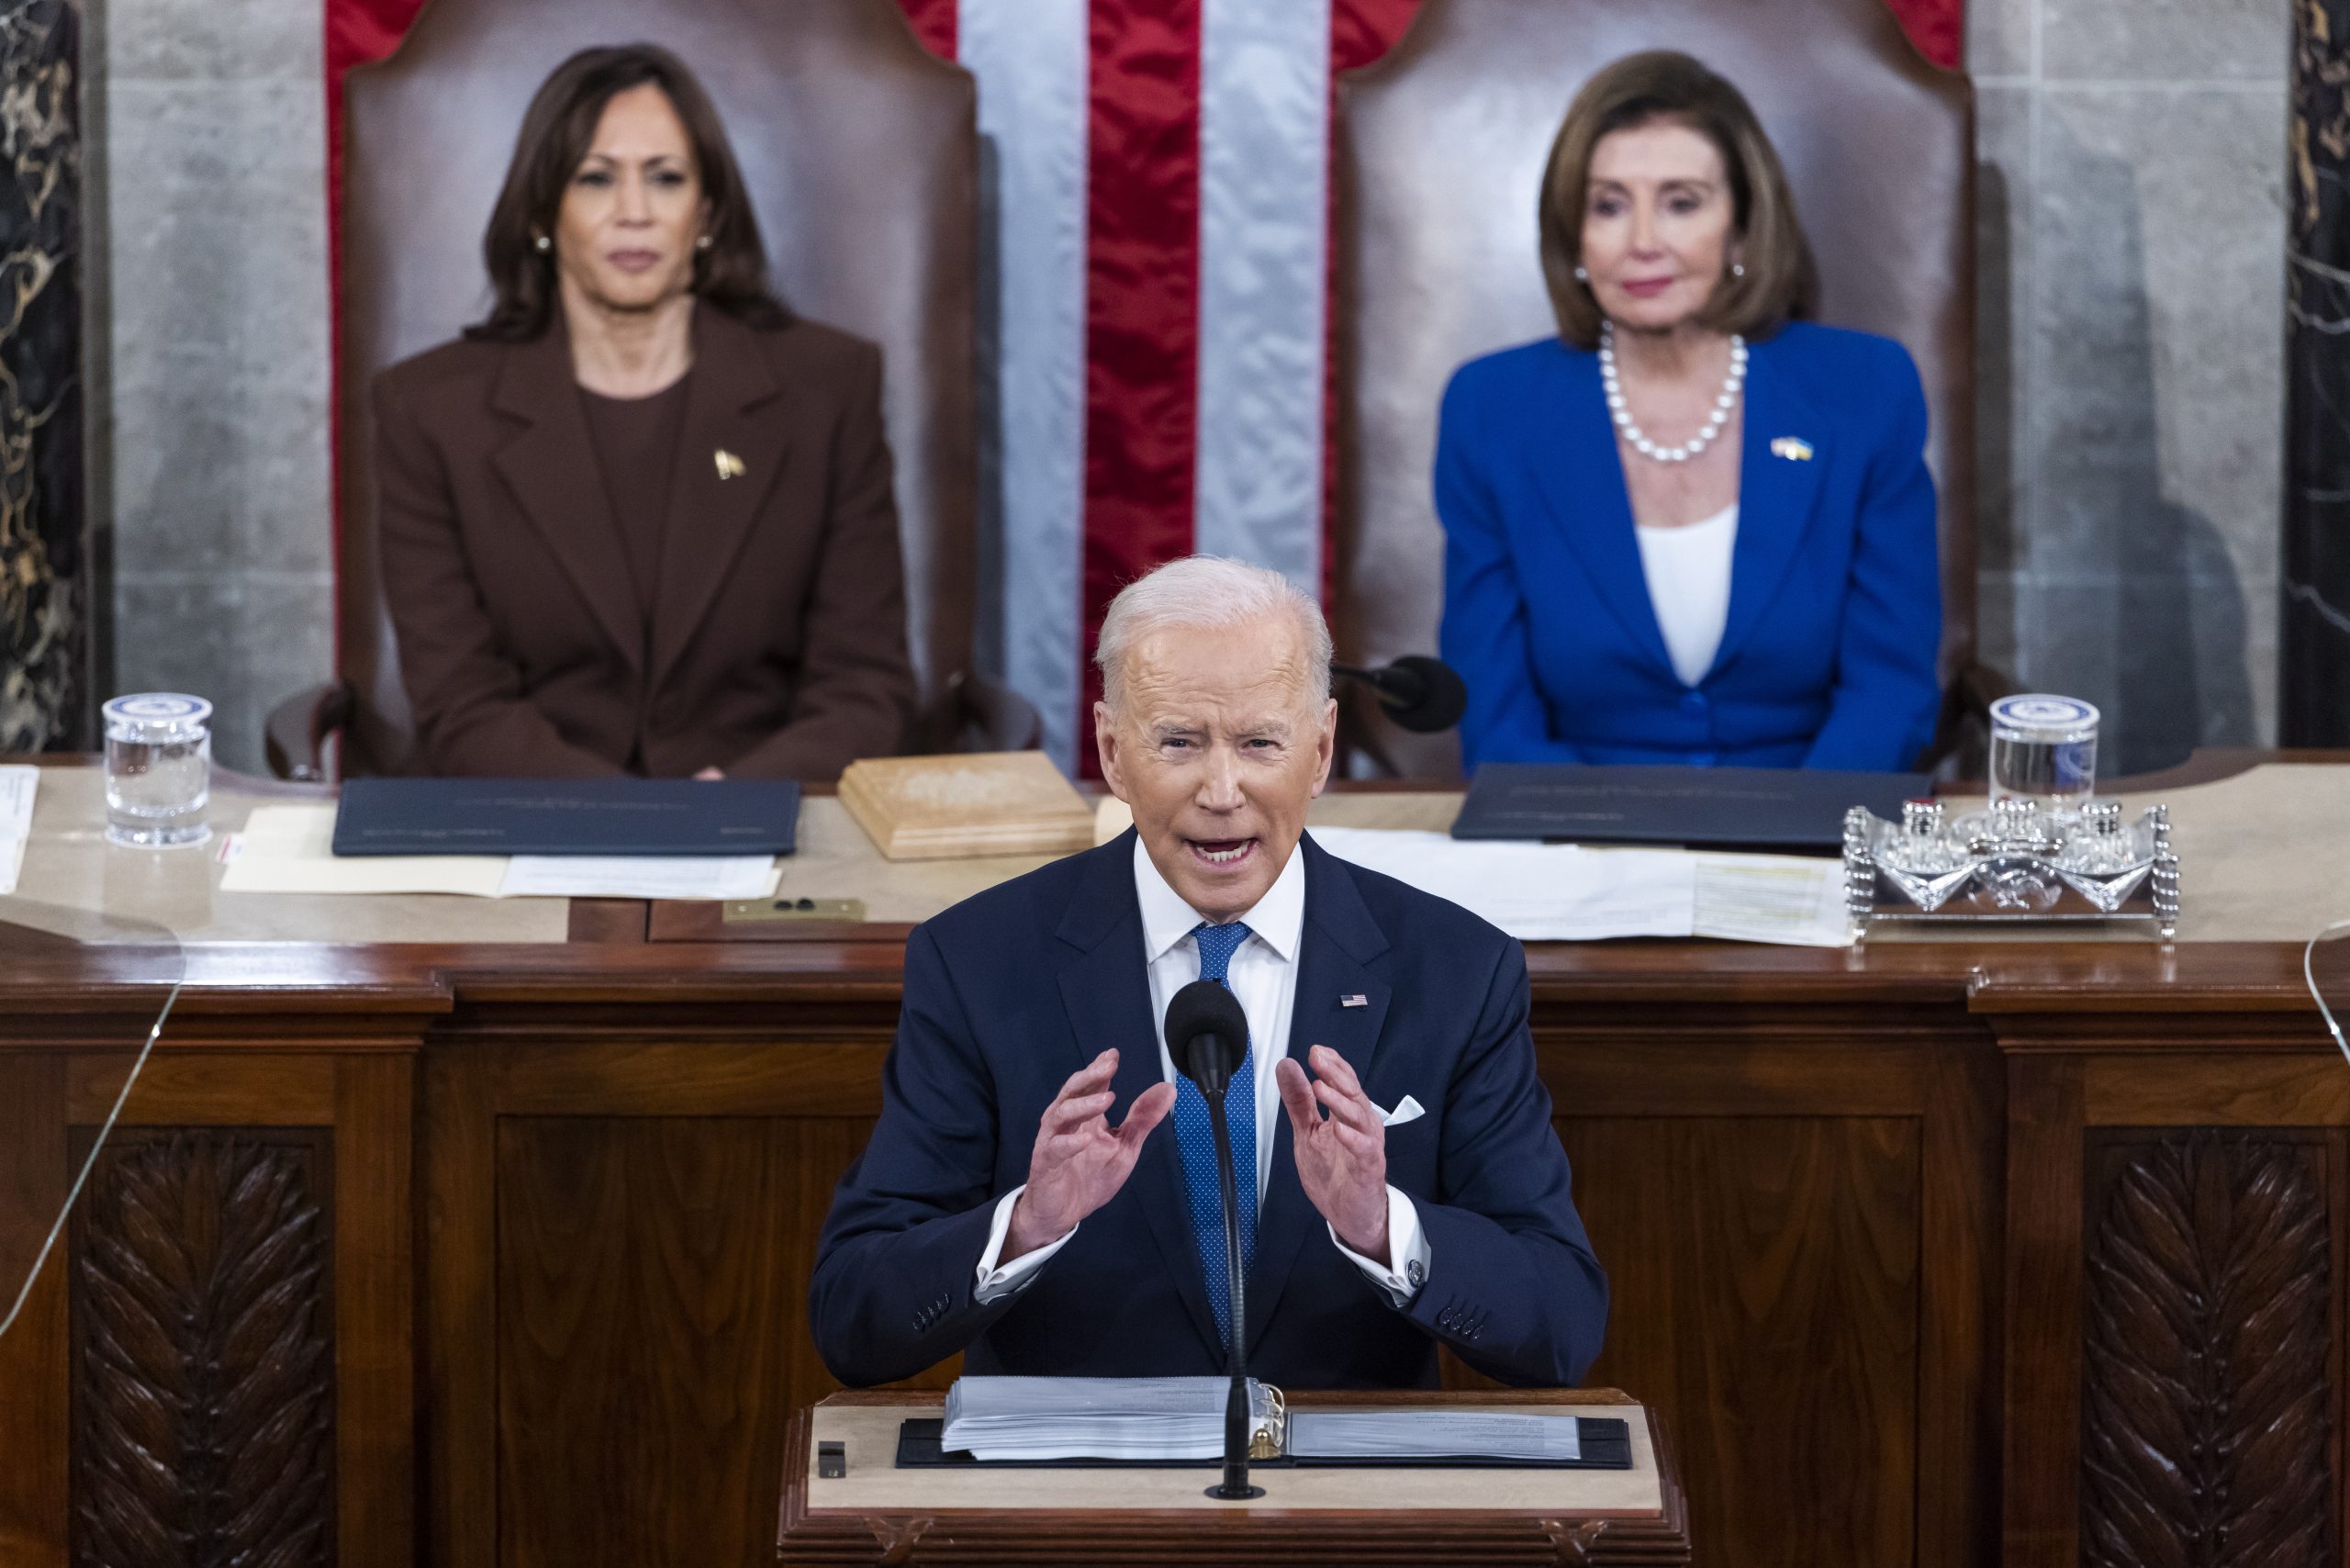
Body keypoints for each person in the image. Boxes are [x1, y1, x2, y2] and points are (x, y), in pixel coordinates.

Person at [810, 556, 1606, 1389]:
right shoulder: (978, 961)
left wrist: (1382, 1228)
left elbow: (1560, 1324)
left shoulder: (1456, 968)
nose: (1221, 791)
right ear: (1114, 754)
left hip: (1344, 1498)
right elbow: (852, 1318)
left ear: (1323, 748)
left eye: (1261, 743)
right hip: (1076, 1502)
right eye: (1179, 743)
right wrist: (1024, 1226)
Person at [374, 45, 916, 780]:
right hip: (526, 827)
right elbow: (460, 701)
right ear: (542, 210)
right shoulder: (430, 410)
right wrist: (633, 822)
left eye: (665, 179)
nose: (634, 213)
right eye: (596, 179)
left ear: (707, 212)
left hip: (767, 827)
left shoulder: (828, 388)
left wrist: (729, 804)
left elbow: (864, 685)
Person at [1438, 50, 1942, 773]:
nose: (1644, 241)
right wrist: (1593, 860)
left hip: (1810, 833)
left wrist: (1788, 851)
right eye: (1609, 205)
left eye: (1682, 201)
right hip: (1574, 842)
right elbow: (1495, 705)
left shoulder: (1864, 389)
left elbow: (1889, 687)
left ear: (1741, 227)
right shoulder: (1491, 409)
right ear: (1574, 236)